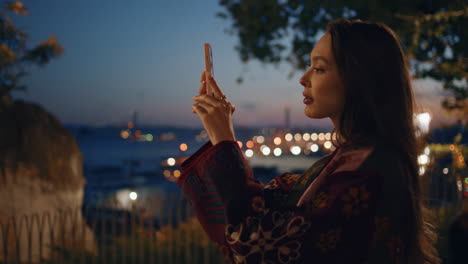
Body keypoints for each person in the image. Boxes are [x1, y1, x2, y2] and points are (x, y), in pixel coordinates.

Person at [178, 18, 441, 264]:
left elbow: (262, 247)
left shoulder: (370, 169)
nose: (303, 79)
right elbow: (275, 210)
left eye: (319, 68)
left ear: (359, 80)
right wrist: (221, 133)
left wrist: (224, 139)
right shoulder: (359, 158)